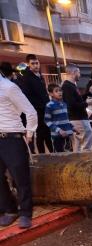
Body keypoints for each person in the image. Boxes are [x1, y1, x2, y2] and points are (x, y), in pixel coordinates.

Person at [0, 69, 38, 229]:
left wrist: (29, 132)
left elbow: (30, 111)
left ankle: (25, 213)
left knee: (20, 177)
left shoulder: (9, 87)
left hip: (12, 137)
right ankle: (9, 209)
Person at [19, 54, 52, 154]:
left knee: (47, 132)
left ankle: (51, 152)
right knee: (41, 133)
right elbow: (27, 96)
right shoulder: (26, 78)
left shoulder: (39, 76)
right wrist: (38, 107)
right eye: (33, 64)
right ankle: (42, 155)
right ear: (29, 65)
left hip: (45, 109)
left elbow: (43, 93)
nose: (36, 65)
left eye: (37, 63)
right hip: (37, 110)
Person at [62, 64, 92, 152]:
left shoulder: (72, 85)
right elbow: (72, 105)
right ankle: (87, 163)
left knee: (78, 145)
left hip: (77, 119)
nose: (80, 75)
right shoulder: (67, 86)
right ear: (74, 72)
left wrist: (88, 93)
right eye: (79, 72)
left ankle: (79, 164)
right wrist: (87, 103)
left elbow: (77, 100)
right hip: (78, 119)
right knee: (87, 144)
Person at [44, 83, 74, 153]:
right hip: (57, 136)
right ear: (51, 94)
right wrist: (58, 130)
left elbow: (66, 119)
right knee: (59, 156)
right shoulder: (49, 105)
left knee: (68, 155)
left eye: (60, 90)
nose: (60, 92)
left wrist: (72, 128)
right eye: (56, 91)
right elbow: (47, 121)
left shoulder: (64, 104)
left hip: (67, 135)